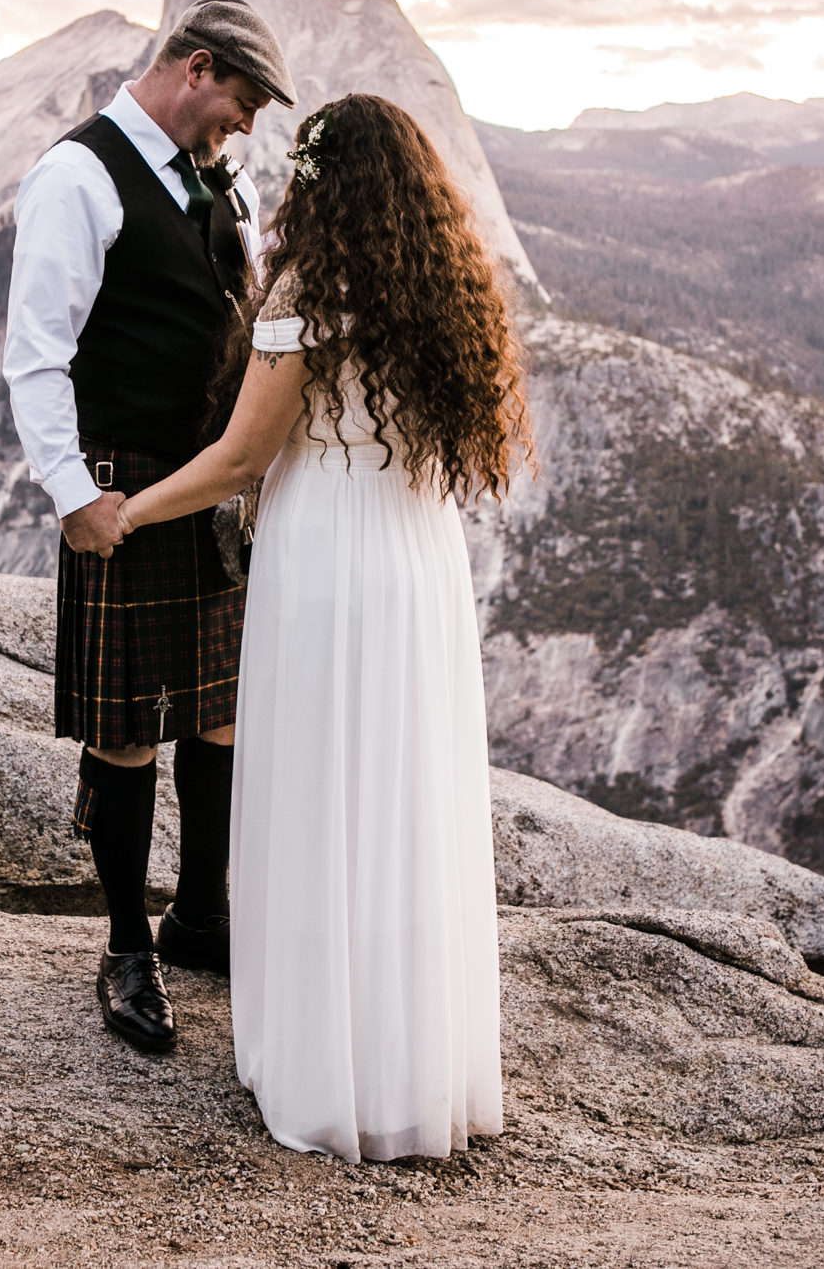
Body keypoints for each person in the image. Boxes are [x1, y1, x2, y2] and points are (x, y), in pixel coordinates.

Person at [113, 92, 531, 1161]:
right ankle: (412, 1069)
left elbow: (246, 457)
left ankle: (322, 1067)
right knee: (403, 805)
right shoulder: (441, 287)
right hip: (418, 562)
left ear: (316, 184)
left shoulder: (311, 286)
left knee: (321, 796)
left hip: (329, 564)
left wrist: (128, 508)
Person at [2, 0, 296, 1054]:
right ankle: (127, 943)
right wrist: (72, 491)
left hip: (214, 479)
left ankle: (201, 916)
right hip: (122, 481)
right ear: (197, 68)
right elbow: (35, 350)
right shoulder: (74, 176)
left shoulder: (229, 180)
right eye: (244, 100)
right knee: (125, 728)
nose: (248, 126)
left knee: (217, 712)